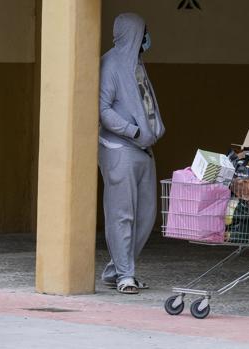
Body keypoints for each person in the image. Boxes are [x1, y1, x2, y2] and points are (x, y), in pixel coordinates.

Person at [98, 13, 165, 294]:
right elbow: (103, 110)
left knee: (146, 215)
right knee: (121, 214)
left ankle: (118, 269)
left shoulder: (137, 65)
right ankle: (125, 274)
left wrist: (152, 131)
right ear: (133, 33)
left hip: (144, 150)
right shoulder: (111, 64)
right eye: (144, 32)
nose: (146, 38)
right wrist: (133, 131)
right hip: (120, 149)